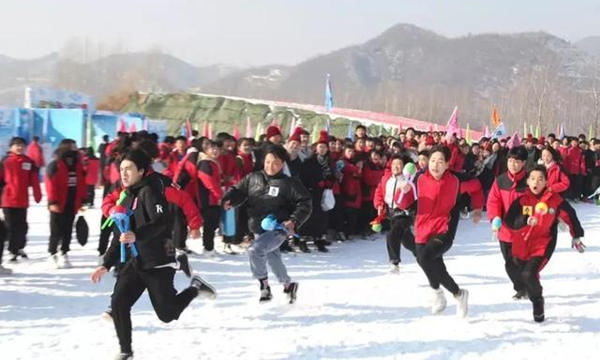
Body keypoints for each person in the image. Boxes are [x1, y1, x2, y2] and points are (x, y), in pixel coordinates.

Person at [91, 149, 215, 360]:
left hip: (157, 260)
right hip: (135, 262)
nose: (124, 173)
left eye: (128, 169)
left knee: (167, 314)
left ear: (141, 170)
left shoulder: (151, 191)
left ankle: (194, 287)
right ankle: (125, 351)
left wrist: (136, 235)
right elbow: (119, 233)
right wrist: (107, 263)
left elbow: (161, 222)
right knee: (119, 302)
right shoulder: (125, 196)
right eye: (121, 169)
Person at [222, 144, 312, 303]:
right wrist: (229, 199)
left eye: (276, 163)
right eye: (268, 161)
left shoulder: (290, 183)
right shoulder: (253, 178)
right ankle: (288, 285)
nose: (271, 166)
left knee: (255, 250)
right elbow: (238, 190)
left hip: (278, 228)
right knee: (273, 258)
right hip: (258, 227)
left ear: (283, 164)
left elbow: (305, 203)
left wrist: (293, 220)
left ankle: (264, 285)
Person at [503, 165, 585, 322]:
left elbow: (571, 216)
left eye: (540, 179)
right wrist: (524, 220)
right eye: (533, 178)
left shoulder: (555, 201)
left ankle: (537, 301)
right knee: (510, 266)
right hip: (522, 241)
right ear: (527, 181)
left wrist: (576, 236)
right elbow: (509, 220)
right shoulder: (521, 200)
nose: (536, 182)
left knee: (529, 273)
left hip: (543, 243)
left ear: (546, 182)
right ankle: (525, 288)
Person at [414, 145, 472, 317]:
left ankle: (437, 293)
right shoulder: (418, 179)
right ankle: (458, 294)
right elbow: (405, 201)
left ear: (448, 164)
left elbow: (475, 188)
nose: (435, 165)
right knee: (433, 265)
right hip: (423, 227)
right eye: (432, 161)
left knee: (425, 257)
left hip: (444, 228)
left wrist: (474, 207)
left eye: (440, 161)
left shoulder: (456, 180)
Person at [486, 146, 529, 299]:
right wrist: (495, 217)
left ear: (524, 162)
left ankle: (529, 286)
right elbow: (493, 201)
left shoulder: (530, 180)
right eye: (510, 161)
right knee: (509, 264)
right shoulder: (500, 180)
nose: (513, 164)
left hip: (524, 230)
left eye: (517, 161)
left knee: (522, 261)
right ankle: (520, 287)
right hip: (505, 231)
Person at [0, 137, 42, 266]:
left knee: (22, 226)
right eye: (17, 145)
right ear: (11, 147)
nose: (20, 147)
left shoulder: (28, 162)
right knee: (10, 226)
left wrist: (37, 194)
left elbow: (34, 179)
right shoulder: (5, 161)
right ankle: (12, 251)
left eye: (22, 145)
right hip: (7, 200)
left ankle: (20, 247)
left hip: (22, 200)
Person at [45, 139, 87, 268]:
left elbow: (82, 183)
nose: (75, 148)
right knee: (56, 230)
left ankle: (64, 252)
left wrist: (83, 199)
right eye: (72, 146)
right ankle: (52, 254)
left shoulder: (78, 164)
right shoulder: (55, 164)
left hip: (72, 202)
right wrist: (53, 202)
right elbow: (50, 185)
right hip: (58, 203)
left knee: (68, 229)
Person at [373, 154, 417, 273]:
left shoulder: (408, 180)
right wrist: (379, 205)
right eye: (393, 164)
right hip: (390, 213)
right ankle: (420, 252)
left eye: (399, 164)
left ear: (404, 166)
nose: (396, 166)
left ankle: (394, 262)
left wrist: (407, 191)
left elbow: (413, 198)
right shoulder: (386, 178)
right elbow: (379, 193)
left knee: (392, 234)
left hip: (404, 214)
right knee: (407, 240)